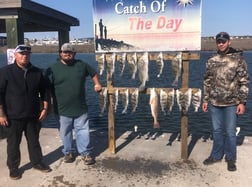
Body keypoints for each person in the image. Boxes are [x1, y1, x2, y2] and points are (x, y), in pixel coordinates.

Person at [0, 44, 51, 180]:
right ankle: (14, 168)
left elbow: (45, 91)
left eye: (27, 54)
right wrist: (1, 114)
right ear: (15, 55)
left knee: (34, 141)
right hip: (13, 116)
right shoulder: (5, 71)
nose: (24, 56)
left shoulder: (37, 72)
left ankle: (37, 162)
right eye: (21, 54)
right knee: (13, 144)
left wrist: (45, 108)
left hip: (33, 115)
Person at [47, 43, 102, 165]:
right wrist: (48, 105)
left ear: (74, 54)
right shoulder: (53, 68)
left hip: (80, 108)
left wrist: (97, 83)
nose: (67, 54)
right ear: (60, 53)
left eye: (70, 52)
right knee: (65, 132)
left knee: (82, 131)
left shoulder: (81, 65)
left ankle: (85, 153)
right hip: (61, 109)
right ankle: (68, 152)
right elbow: (46, 88)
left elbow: (93, 73)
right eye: (65, 52)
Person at [202, 32, 249, 171]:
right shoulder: (211, 60)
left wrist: (242, 102)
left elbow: (244, 82)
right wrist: (205, 99)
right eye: (218, 41)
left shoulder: (238, 59)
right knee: (216, 131)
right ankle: (216, 155)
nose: (221, 44)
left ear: (229, 42)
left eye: (223, 41)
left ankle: (230, 158)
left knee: (229, 132)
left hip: (231, 103)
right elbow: (207, 81)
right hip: (214, 102)